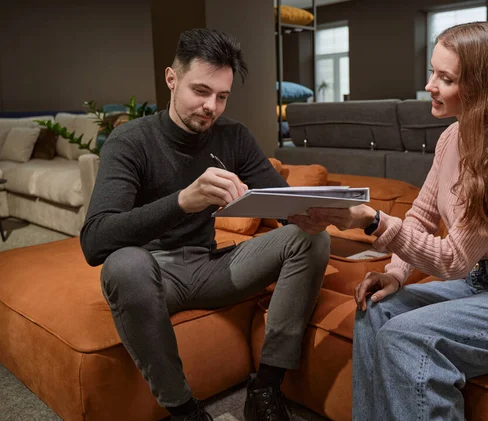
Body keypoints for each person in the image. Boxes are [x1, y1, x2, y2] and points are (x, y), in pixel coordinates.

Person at [291, 22, 488, 420]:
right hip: (482, 282)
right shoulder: (451, 137)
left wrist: (375, 222)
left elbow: (454, 260)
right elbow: (423, 215)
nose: (429, 84)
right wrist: (395, 273)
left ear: (480, 87)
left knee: (407, 337)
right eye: (433, 71)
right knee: (374, 309)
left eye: (445, 78)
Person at [80, 28, 330, 421]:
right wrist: (183, 201)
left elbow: (287, 207)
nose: (211, 106)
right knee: (124, 264)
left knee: (309, 238)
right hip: (154, 276)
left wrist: (334, 215)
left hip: (210, 267)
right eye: (201, 91)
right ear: (171, 79)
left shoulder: (234, 137)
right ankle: (185, 410)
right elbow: (95, 241)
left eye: (222, 96)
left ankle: (265, 388)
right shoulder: (130, 141)